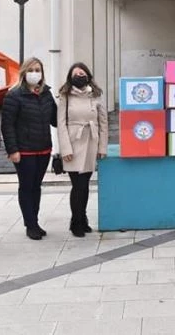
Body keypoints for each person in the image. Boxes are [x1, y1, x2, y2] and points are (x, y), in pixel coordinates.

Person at [1, 57, 57, 241]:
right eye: (31, 70)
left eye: (38, 70)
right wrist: (12, 150)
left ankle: (35, 220)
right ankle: (30, 224)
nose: (35, 73)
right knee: (26, 187)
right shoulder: (14, 95)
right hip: (24, 151)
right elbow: (7, 125)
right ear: (24, 73)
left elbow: (55, 119)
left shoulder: (46, 94)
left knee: (36, 186)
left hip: (43, 148)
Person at [56, 62, 108, 237]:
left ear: (88, 75)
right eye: (76, 74)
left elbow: (103, 123)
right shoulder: (65, 96)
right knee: (77, 185)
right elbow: (61, 123)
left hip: (91, 142)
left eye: (82, 73)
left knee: (85, 185)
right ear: (70, 77)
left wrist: (102, 147)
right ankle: (76, 221)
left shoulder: (96, 95)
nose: (79, 76)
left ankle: (82, 218)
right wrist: (65, 149)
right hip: (73, 143)